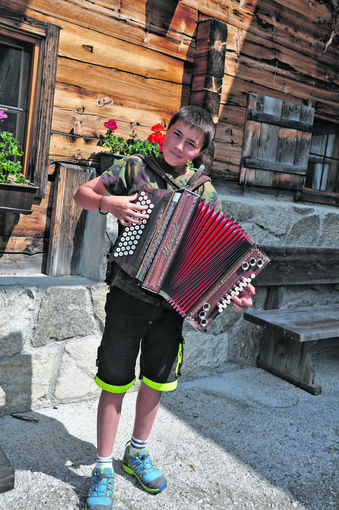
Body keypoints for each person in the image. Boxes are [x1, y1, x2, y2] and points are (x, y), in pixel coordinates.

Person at [73, 106, 255, 510]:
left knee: (156, 381)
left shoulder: (205, 191)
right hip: (128, 297)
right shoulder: (135, 167)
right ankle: (103, 466)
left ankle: (136, 452)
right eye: (176, 135)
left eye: (191, 143)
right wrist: (111, 205)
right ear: (166, 133)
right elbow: (82, 194)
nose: (179, 145)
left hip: (172, 307)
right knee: (115, 379)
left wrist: (238, 289)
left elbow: (220, 253)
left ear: (200, 151)